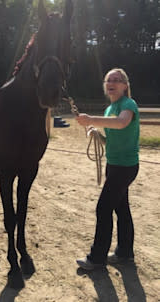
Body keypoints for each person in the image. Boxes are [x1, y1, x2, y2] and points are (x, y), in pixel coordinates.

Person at [76, 68, 140, 270]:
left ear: (125, 85)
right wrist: (98, 134)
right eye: (108, 80)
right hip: (114, 165)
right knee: (122, 209)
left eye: (117, 80)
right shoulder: (109, 109)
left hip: (125, 167)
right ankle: (125, 253)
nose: (112, 83)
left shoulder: (128, 105)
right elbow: (111, 138)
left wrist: (91, 120)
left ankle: (97, 258)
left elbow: (122, 123)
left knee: (103, 208)